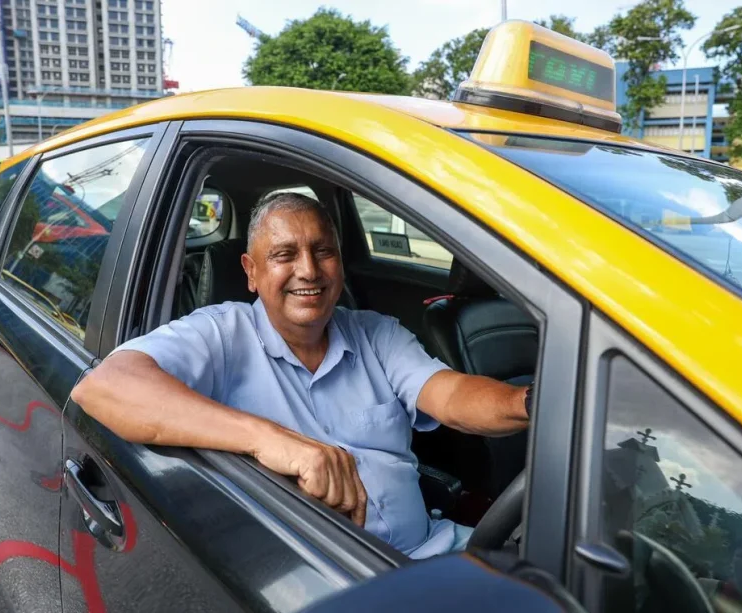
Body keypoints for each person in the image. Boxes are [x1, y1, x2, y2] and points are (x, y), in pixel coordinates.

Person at [72, 192, 531, 558]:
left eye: (322, 251)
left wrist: (528, 402)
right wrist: (269, 438)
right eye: (285, 254)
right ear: (251, 272)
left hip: (435, 549)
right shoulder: (221, 332)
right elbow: (104, 386)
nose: (308, 270)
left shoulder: (376, 332)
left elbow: (450, 395)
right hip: (322, 574)